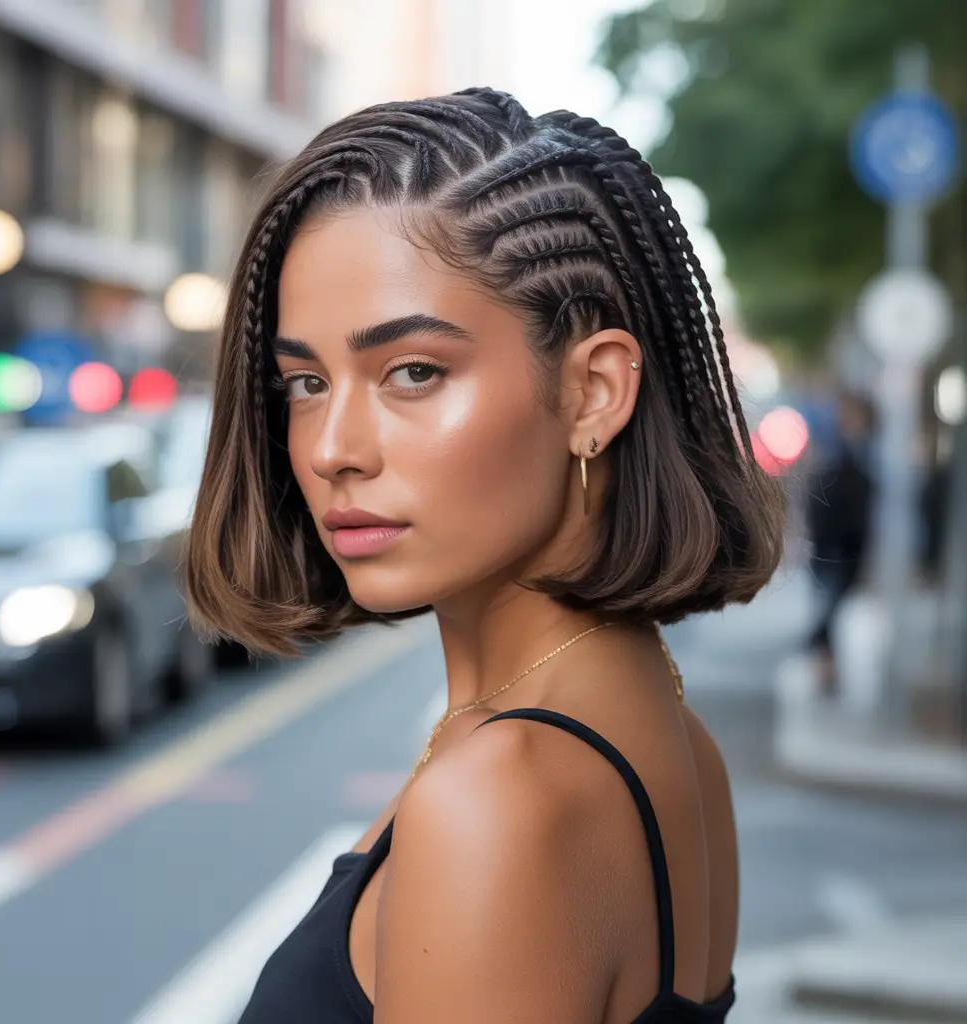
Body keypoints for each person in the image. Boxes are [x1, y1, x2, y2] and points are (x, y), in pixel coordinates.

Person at [185, 89, 784, 1023]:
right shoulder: (673, 740)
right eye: (304, 382)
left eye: (413, 372)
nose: (333, 446)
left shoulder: (500, 798)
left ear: (591, 392)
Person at [804, 391, 876, 695]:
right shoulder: (834, 455)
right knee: (829, 615)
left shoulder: (867, 457)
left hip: (849, 551)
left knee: (830, 616)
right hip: (829, 549)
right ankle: (826, 666)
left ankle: (824, 660)